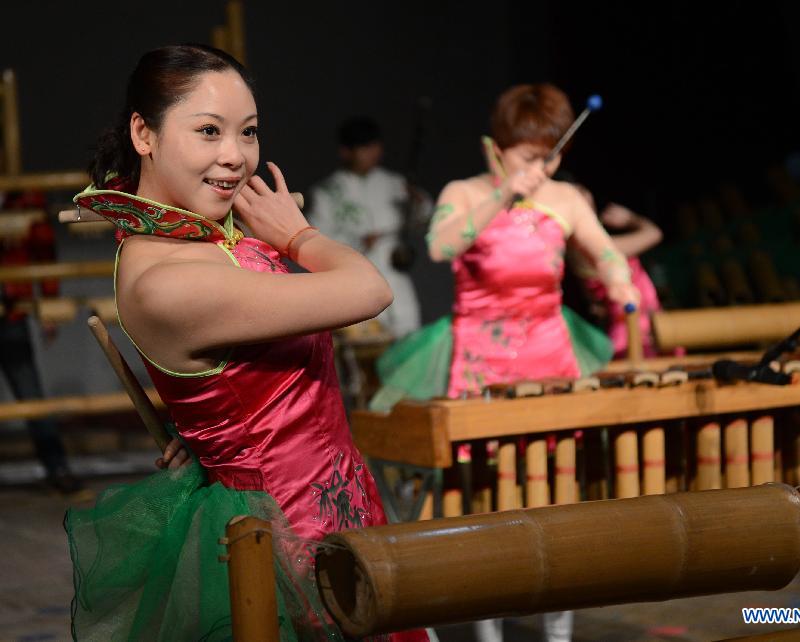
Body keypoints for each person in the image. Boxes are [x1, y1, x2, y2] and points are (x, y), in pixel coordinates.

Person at [64, 44, 428, 641]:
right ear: (143, 133)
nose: (234, 157)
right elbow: (369, 289)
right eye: (208, 131)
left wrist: (212, 425)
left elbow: (243, 378)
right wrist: (299, 234)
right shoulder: (166, 281)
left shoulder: (203, 238)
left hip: (341, 502)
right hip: (287, 539)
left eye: (249, 132)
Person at [370, 83, 638, 642]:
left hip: (550, 356)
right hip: (479, 360)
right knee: (484, 492)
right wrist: (504, 195)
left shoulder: (567, 199)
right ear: (496, 148)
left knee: (556, 490)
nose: (541, 166)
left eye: (549, 155)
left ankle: (557, 628)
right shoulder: (464, 191)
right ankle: (488, 628)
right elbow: (441, 247)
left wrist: (618, 279)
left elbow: (605, 252)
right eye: (527, 155)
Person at [308, 116, 429, 339]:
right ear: (346, 151)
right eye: (364, 147)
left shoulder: (394, 183)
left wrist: (418, 203)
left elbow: (422, 218)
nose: (373, 153)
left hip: (395, 274)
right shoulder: (327, 192)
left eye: (375, 146)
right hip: (355, 277)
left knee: (409, 336)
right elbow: (316, 239)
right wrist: (358, 241)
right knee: (367, 347)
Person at [0, 191, 86, 495]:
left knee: (30, 392)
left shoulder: (22, 197)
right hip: (13, 307)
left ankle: (56, 467)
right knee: (30, 390)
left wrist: (48, 304)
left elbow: (43, 250)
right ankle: (57, 467)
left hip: (12, 310)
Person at [563, 182, 663, 358]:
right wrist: (631, 219)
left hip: (635, 325)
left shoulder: (573, 253)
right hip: (635, 330)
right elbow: (654, 234)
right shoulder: (602, 250)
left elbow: (592, 300)